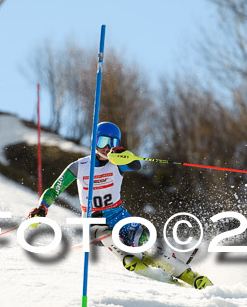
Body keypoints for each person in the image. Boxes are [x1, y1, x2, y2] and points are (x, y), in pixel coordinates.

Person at [27, 122, 211, 289]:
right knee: (129, 257)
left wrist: (124, 157)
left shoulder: (117, 163)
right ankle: (161, 279)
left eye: (112, 142)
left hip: (119, 215)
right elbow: (54, 190)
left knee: (147, 247)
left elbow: (136, 165)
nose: (107, 147)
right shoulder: (79, 166)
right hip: (94, 221)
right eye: (103, 141)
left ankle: (191, 277)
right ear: (94, 142)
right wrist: (43, 206)